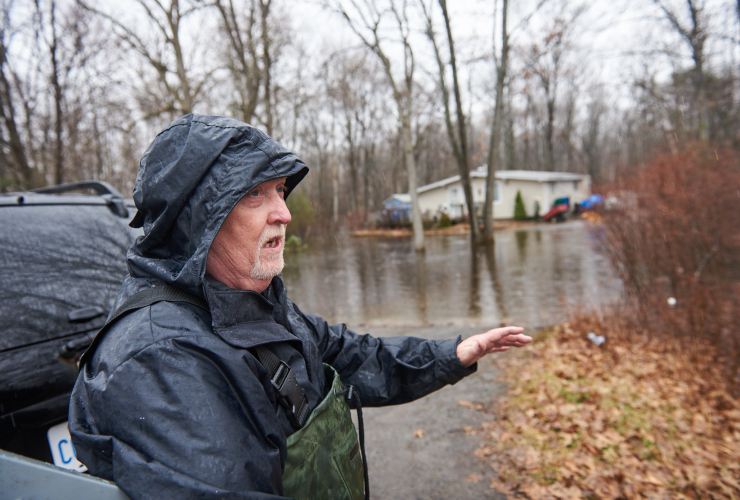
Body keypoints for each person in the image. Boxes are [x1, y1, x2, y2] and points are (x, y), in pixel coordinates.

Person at [69, 114, 532, 500]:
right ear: (197, 219)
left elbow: (351, 355)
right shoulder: (161, 359)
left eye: (279, 191)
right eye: (255, 194)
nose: (284, 213)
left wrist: (453, 354)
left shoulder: (251, 302)